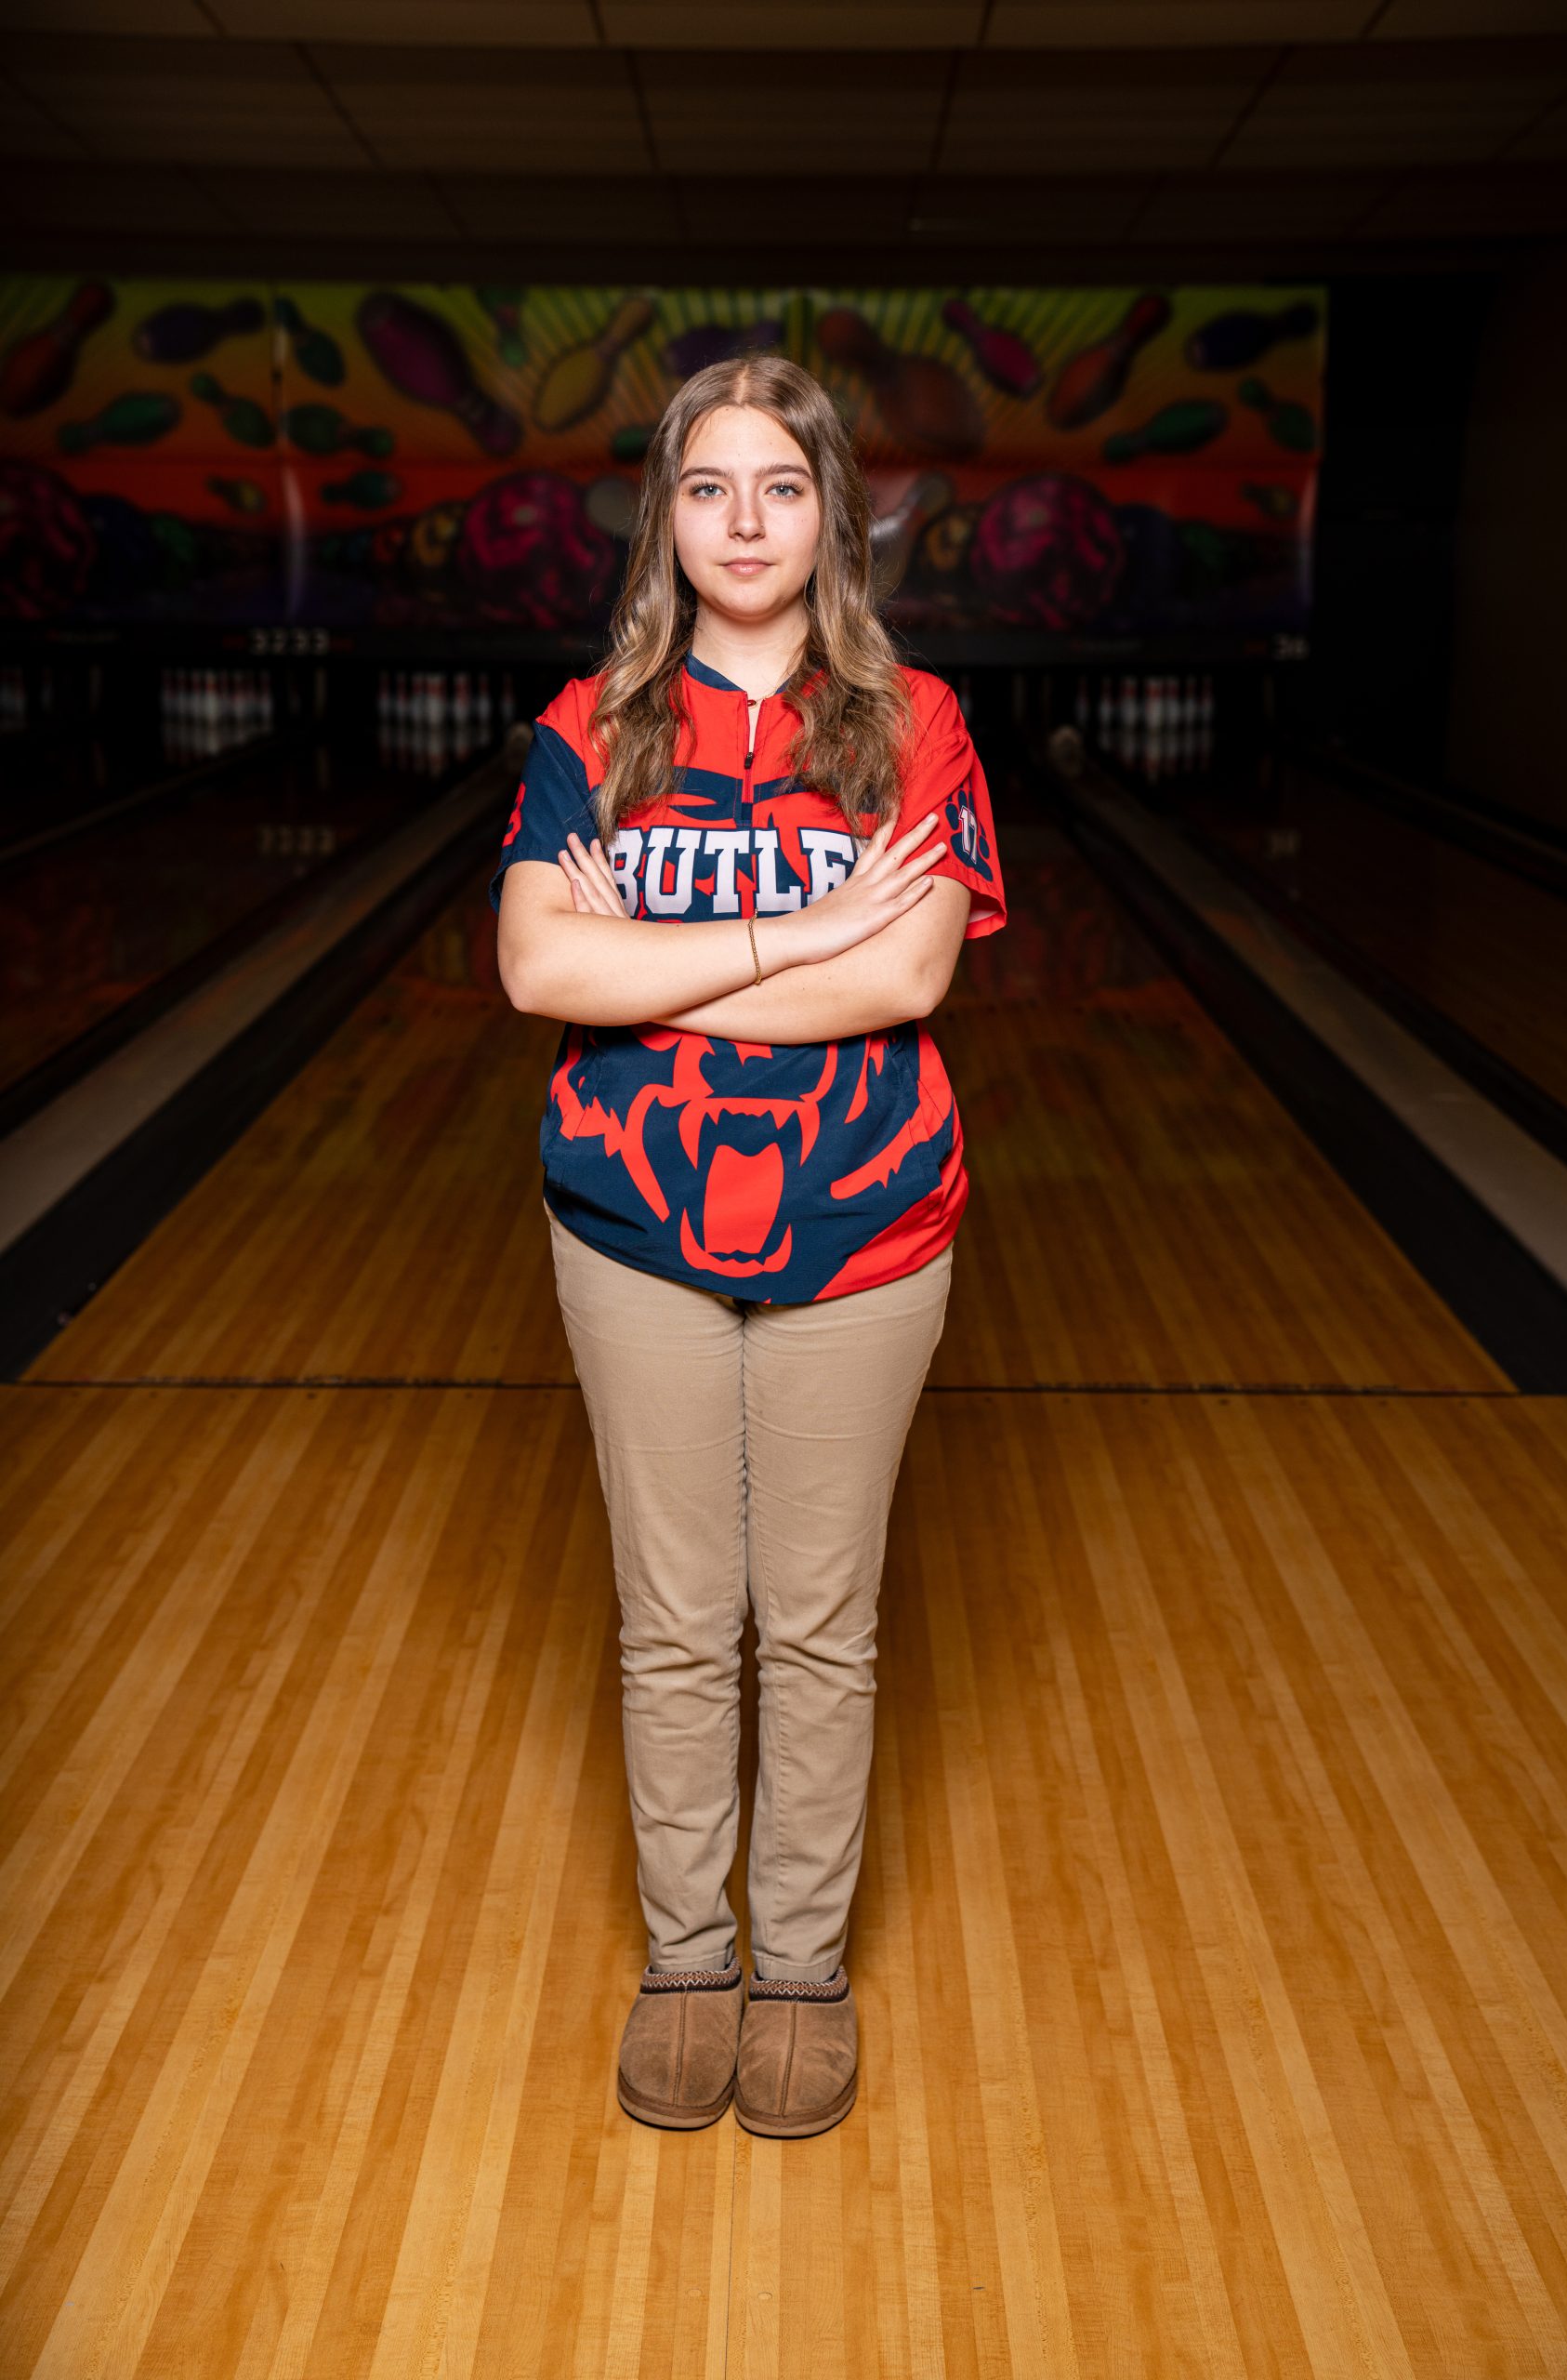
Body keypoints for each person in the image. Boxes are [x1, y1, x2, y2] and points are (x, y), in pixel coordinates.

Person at [490, 353, 1006, 2139]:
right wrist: (798, 935)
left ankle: (798, 1967)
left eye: (780, 486)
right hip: (632, 1231)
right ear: (665, 518)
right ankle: (686, 1956)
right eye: (708, 487)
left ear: (831, 514)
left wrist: (656, 971)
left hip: (867, 1229)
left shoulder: (913, 723)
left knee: (819, 1626)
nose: (744, 522)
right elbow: (537, 968)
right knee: (673, 1624)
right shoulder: (593, 728)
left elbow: (910, 976)